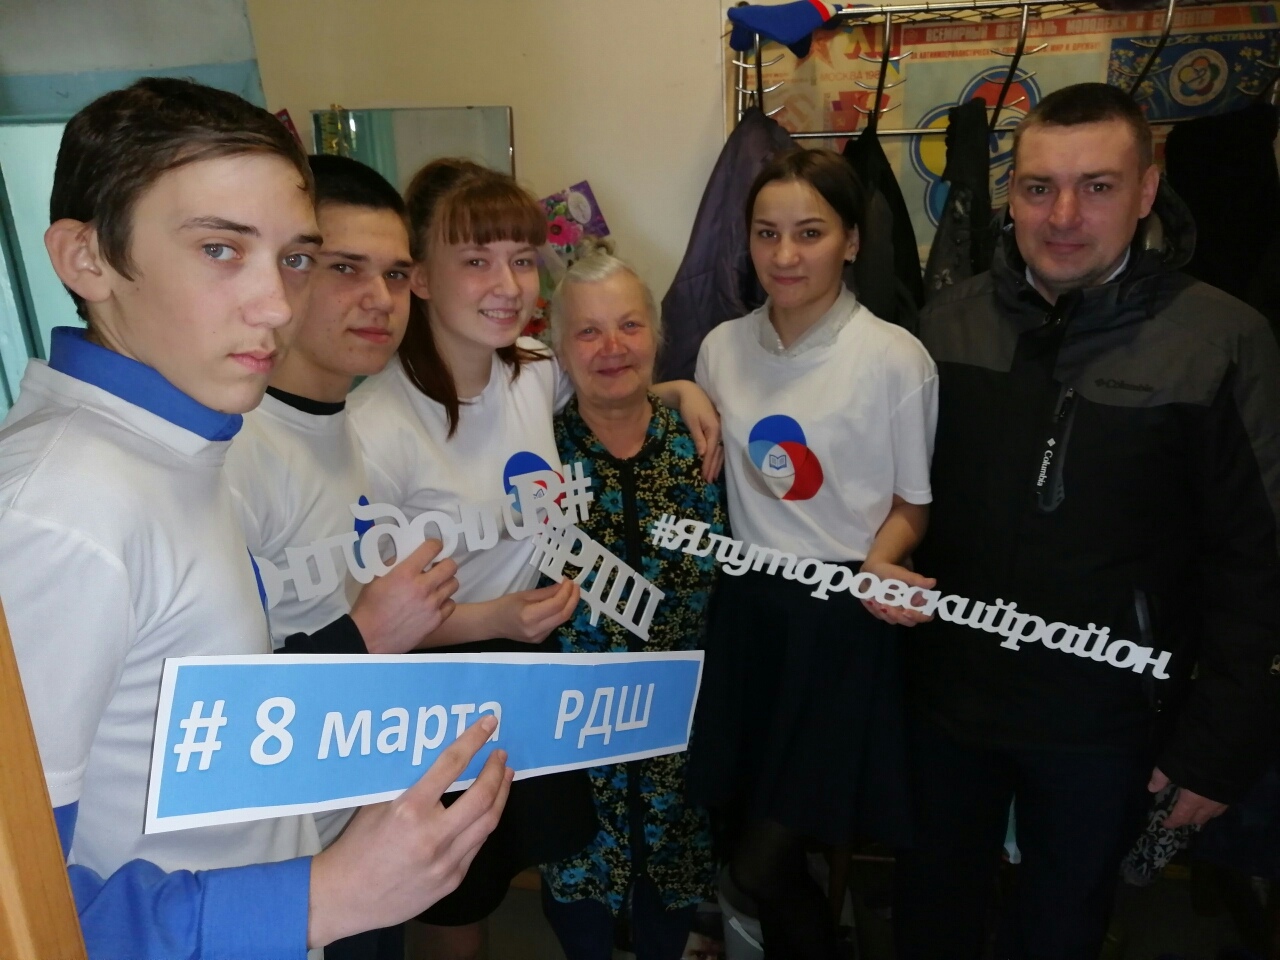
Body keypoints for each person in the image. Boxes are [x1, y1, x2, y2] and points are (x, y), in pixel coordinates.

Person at [0, 77, 510, 959]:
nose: (277, 304)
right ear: (86, 259)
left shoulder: (176, 447)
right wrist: (321, 896)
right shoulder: (59, 510)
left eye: (294, 258)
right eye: (220, 250)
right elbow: (23, 912)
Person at [896, 82, 1280, 959]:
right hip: (950, 709)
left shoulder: (1220, 340)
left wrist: (1219, 746)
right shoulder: (948, 323)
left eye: (1097, 186)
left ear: (1146, 192)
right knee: (930, 918)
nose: (1063, 215)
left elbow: (1257, 562)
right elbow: (900, 501)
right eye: (1039, 187)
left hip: (1108, 723)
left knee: (1062, 929)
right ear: (1011, 194)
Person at [348, 159, 723, 960]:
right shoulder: (379, 425)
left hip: (528, 665)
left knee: (535, 861)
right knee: (455, 899)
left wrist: (682, 392)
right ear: (421, 278)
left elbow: (610, 373)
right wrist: (494, 617)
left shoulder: (529, 372)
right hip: (439, 674)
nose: (507, 284)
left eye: (521, 259)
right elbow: (367, 624)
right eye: (476, 261)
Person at [691, 147, 938, 958]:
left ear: (852, 241)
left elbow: (911, 505)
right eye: (767, 233)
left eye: (810, 232)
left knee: (764, 859)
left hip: (841, 625)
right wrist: (677, 388)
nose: (785, 255)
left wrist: (882, 561)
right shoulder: (721, 347)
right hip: (747, 612)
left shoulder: (894, 357)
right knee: (744, 840)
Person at [225, 153, 459, 960]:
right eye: (343, 268)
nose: (380, 300)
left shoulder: (344, 425)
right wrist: (367, 634)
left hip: (360, 815)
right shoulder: (235, 453)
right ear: (288, 271)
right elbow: (207, 711)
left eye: (395, 275)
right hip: (275, 862)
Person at [537, 238, 726, 960]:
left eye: (629, 325)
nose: (612, 347)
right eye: (588, 331)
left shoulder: (701, 445)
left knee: (668, 903)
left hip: (682, 730)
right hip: (573, 737)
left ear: (657, 334)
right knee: (580, 906)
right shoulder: (538, 456)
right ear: (559, 349)